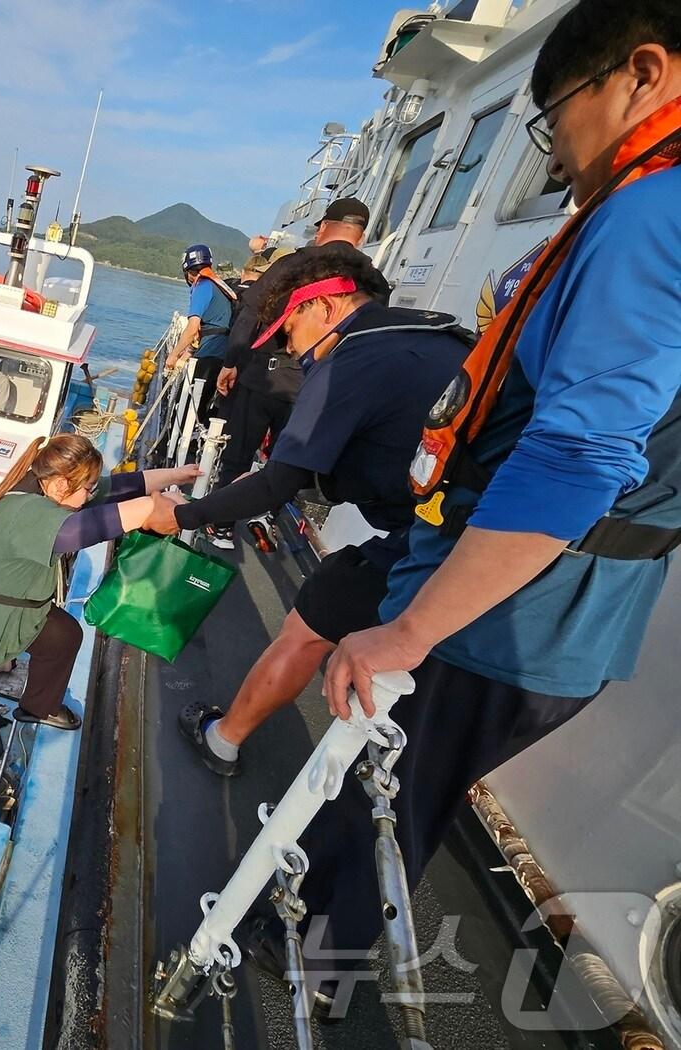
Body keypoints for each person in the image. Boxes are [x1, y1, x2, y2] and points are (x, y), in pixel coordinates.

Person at [271, 1, 681, 1013]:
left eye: (554, 118)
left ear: (639, 73)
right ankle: (311, 952)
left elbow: (579, 455)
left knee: (385, 801)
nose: (557, 157)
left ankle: (307, 987)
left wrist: (405, 631)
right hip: (571, 628)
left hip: (501, 625)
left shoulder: (646, 214)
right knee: (408, 794)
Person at [147, 245, 470, 776]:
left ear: (326, 305)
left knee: (309, 623)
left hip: (435, 541)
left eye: (288, 330)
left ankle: (223, 740)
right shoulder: (431, 333)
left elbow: (278, 484)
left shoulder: (348, 360)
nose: (292, 351)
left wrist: (181, 516)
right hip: (478, 536)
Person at [0, 435, 196, 784]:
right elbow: (79, 532)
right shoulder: (29, 511)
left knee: (63, 636)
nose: (91, 495)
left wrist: (176, 475)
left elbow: (117, 487)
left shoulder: (48, 484)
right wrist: (153, 508)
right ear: (61, 483)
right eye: (87, 489)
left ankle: (38, 708)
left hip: (12, 613)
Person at [206, 200, 376, 550]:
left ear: (324, 228)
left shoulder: (293, 264)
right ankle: (265, 516)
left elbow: (251, 311)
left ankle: (221, 525)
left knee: (237, 454)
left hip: (262, 378)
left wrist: (232, 361)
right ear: (361, 236)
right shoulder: (371, 280)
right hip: (314, 390)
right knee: (286, 463)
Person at [165, 244, 235, 427]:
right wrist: (187, 352)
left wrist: (173, 356)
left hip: (210, 353)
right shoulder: (216, 285)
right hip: (220, 353)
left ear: (187, 270)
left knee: (187, 404)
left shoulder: (202, 286)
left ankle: (168, 450)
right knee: (199, 405)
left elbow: (192, 327)